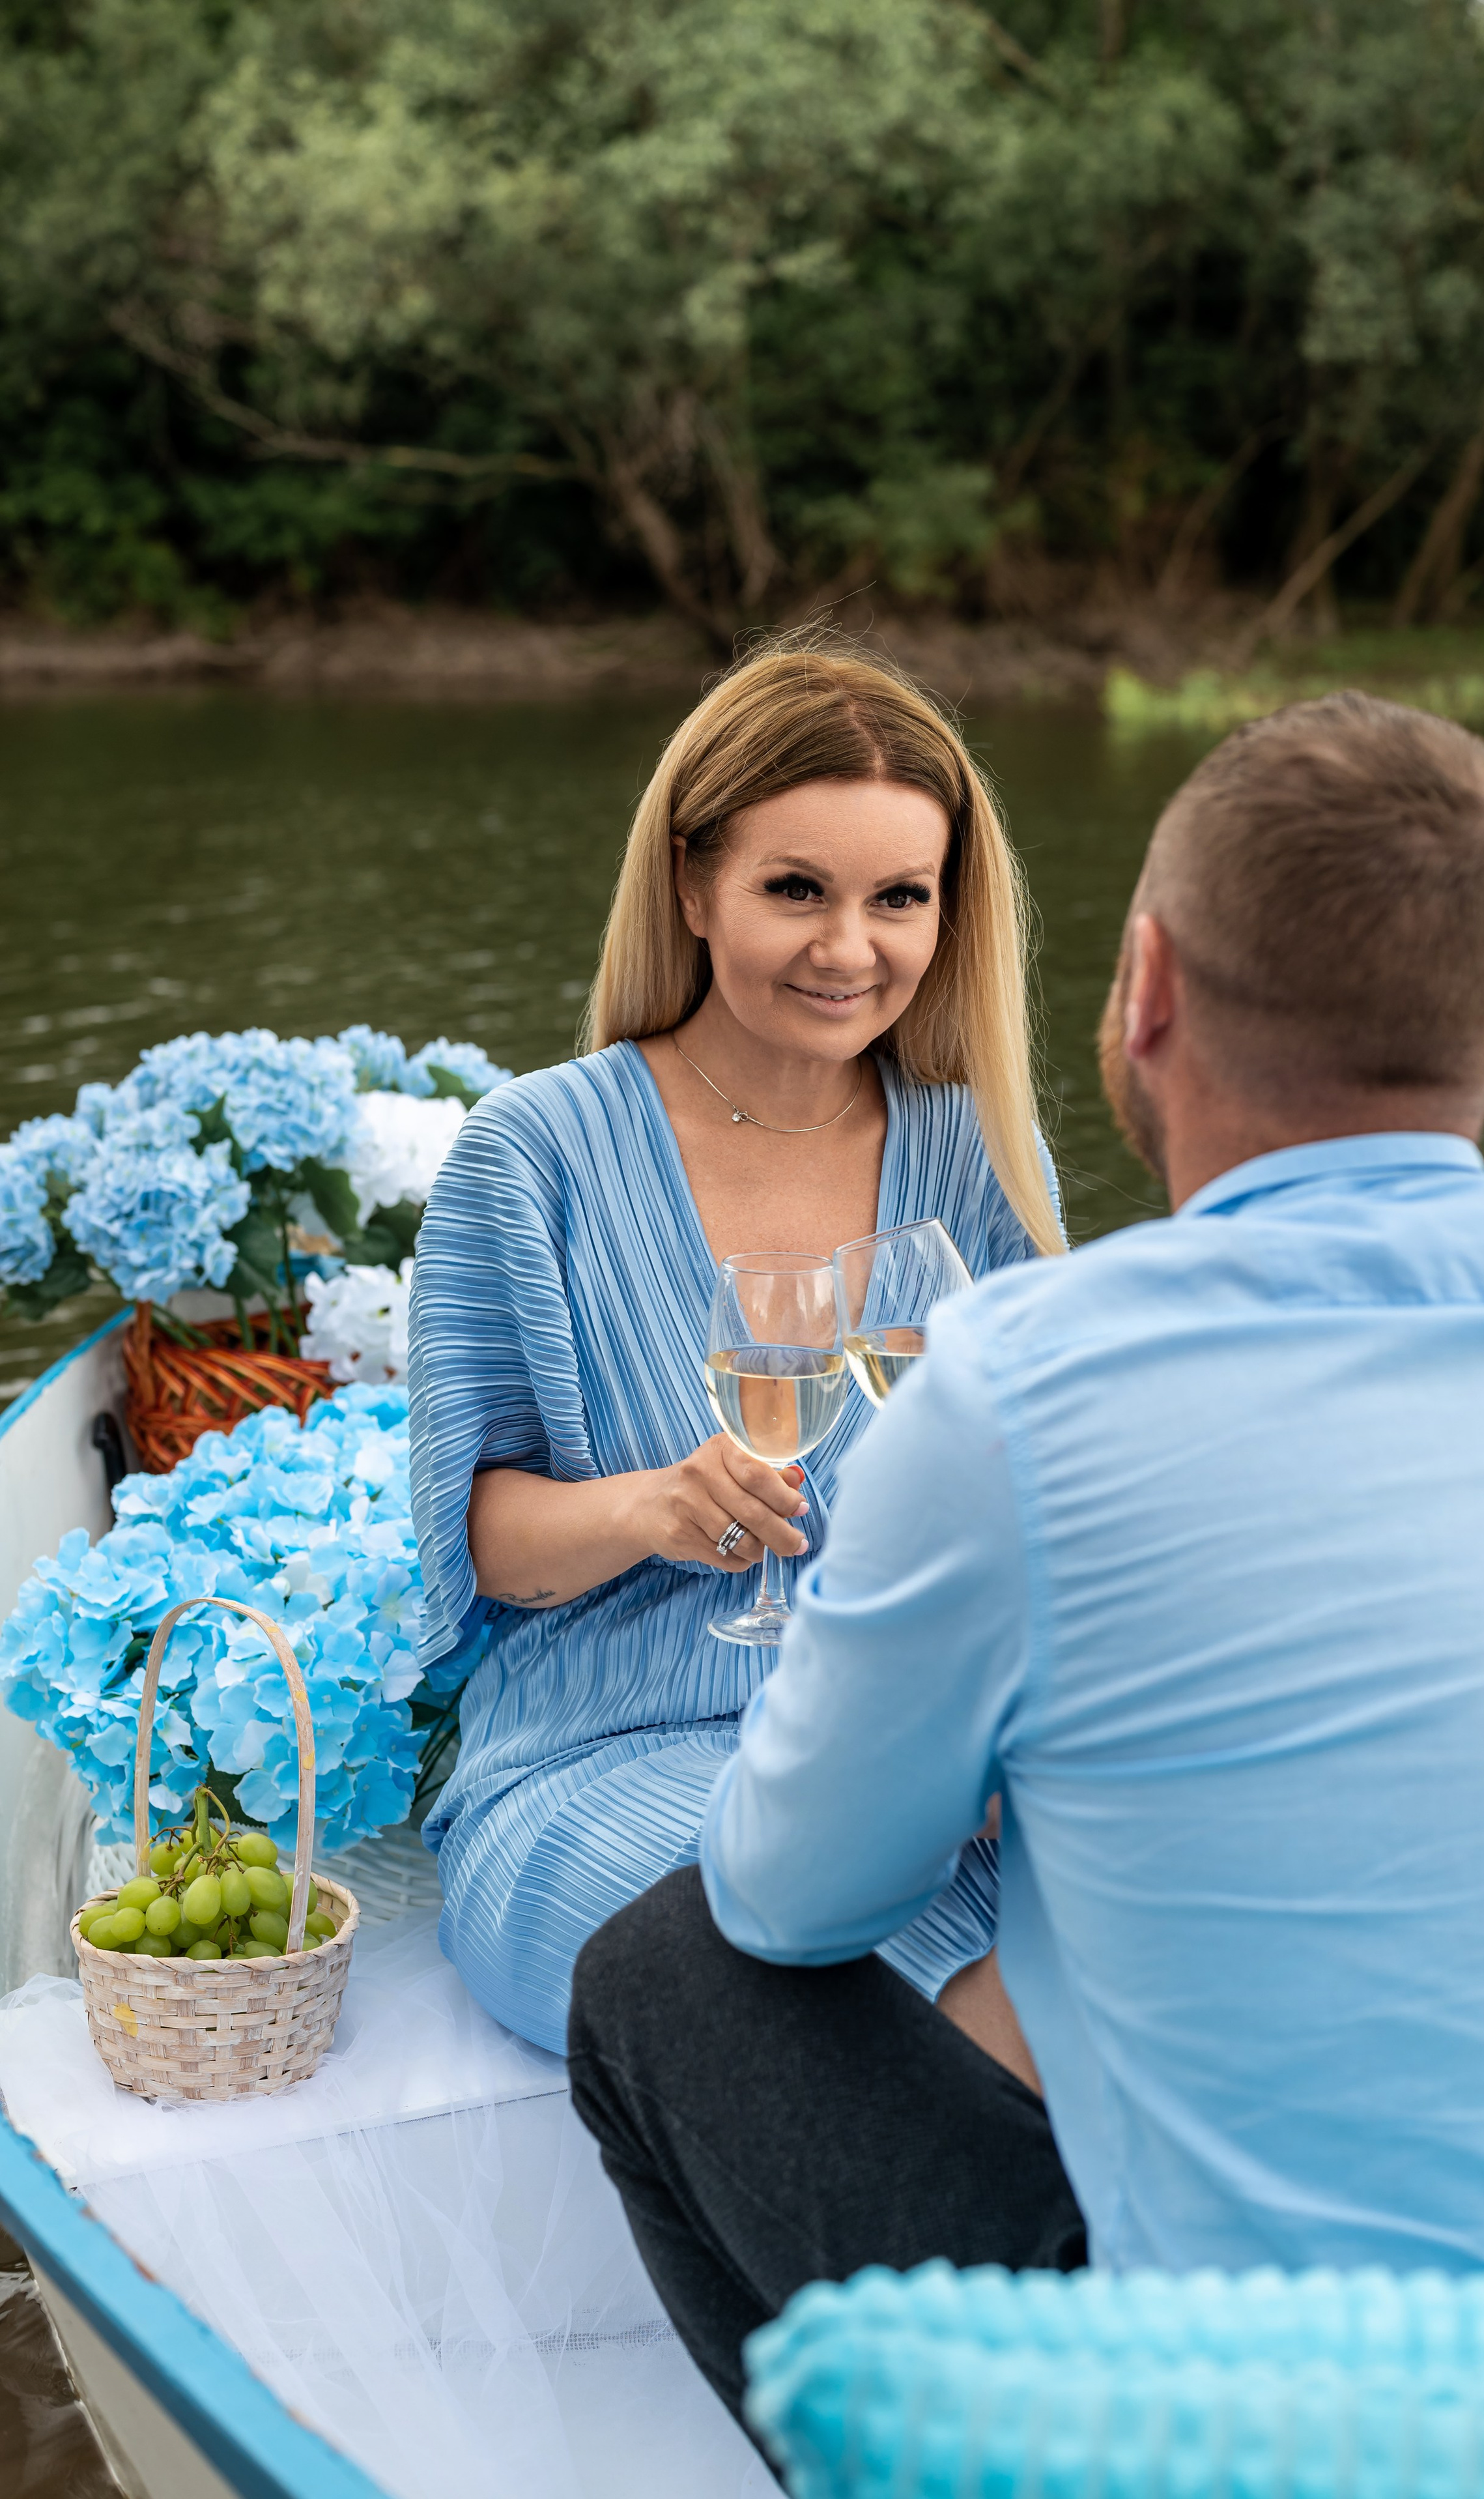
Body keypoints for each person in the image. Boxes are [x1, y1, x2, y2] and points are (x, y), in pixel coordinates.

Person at [567, 691, 1484, 2430]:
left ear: (1145, 987)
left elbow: (788, 1898)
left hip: (1254, 2409)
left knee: (661, 1971)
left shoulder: (1018, 1385)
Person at [407, 643, 1063, 2053]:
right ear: (694, 887)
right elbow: (477, 1548)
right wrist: (650, 1509)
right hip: (609, 1757)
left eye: (900, 898)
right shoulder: (533, 1155)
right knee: (816, 1960)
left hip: (917, 1752)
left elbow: (1040, 1514)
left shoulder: (981, 1154)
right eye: (796, 890)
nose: (850, 950)